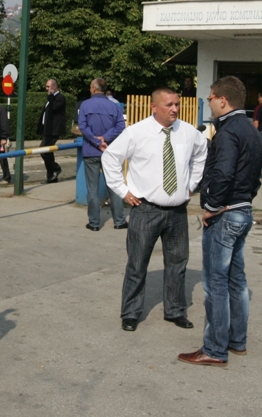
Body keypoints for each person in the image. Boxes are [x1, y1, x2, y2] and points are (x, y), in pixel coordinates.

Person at [103, 87, 207, 332]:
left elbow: (202, 154)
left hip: (177, 211)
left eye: (177, 104)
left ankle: (175, 310)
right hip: (145, 210)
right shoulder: (136, 133)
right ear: (154, 107)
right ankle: (130, 313)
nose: (174, 109)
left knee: (177, 263)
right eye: (169, 105)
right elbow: (110, 158)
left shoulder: (188, 132)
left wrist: (191, 184)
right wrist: (122, 190)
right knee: (137, 264)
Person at [178, 76, 262, 368]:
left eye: (211, 97)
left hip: (226, 214)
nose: (209, 102)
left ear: (222, 100)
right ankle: (236, 340)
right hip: (244, 210)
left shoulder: (227, 132)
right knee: (236, 280)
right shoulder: (251, 130)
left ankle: (214, 348)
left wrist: (212, 206)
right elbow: (254, 175)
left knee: (215, 282)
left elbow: (223, 173)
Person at [79, 78, 126, 230]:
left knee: (92, 189)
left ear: (93, 88)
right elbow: (120, 125)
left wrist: (97, 141)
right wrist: (105, 138)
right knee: (114, 186)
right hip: (110, 151)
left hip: (91, 150)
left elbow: (83, 127)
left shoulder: (85, 105)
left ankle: (94, 223)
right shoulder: (114, 106)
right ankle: (119, 221)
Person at [37, 79, 66, 183]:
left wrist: (51, 96)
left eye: (48, 87)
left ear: (54, 87)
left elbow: (54, 108)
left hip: (54, 130)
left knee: (43, 150)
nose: (46, 89)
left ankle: (56, 168)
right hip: (47, 130)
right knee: (48, 152)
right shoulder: (51, 98)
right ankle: (51, 176)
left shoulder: (60, 98)